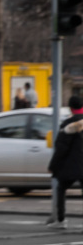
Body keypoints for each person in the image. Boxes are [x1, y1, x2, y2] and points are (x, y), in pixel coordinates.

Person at [48, 95, 83, 229]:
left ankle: (61, 220)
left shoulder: (68, 125)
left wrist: (52, 165)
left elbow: (61, 148)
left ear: (71, 108)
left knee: (61, 189)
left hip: (71, 166)